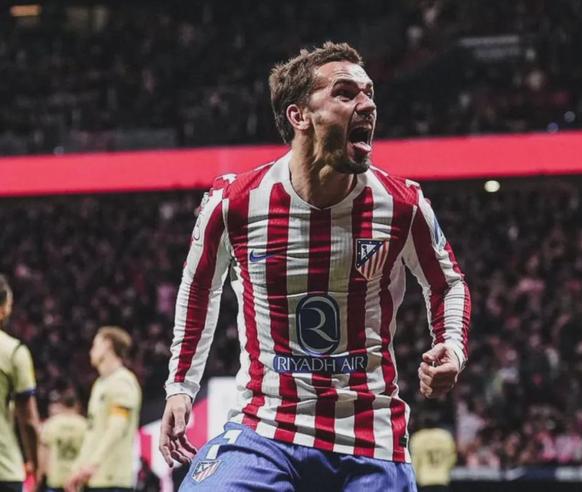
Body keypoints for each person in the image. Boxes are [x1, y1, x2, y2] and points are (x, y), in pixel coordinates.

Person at [160, 41, 471, 491]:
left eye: (369, 93)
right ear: (299, 115)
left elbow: (448, 284)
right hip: (267, 425)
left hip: (370, 436)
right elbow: (199, 288)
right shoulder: (235, 203)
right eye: (345, 93)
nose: (367, 104)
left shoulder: (402, 204)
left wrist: (452, 347)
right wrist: (180, 386)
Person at [65, 327, 142, 492]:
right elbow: (92, 433)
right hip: (94, 479)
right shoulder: (100, 384)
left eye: (95, 345)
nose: (91, 351)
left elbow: (117, 428)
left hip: (113, 480)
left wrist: (92, 465)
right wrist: (78, 467)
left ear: (107, 345)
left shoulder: (123, 381)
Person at [0, 274, 40, 492]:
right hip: (4, 469)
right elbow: (29, 421)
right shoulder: (14, 352)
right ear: (3, 309)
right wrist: (36, 463)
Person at [37, 390, 87, 492]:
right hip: (77, 481)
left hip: (55, 479)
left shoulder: (50, 424)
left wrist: (40, 475)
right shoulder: (85, 425)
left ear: (62, 404)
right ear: (77, 405)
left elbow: (43, 453)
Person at [410, 416, 457, 492]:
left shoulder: (417, 437)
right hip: (442, 479)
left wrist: (416, 477)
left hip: (424, 480)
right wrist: (446, 470)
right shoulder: (445, 436)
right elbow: (452, 458)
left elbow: (415, 461)